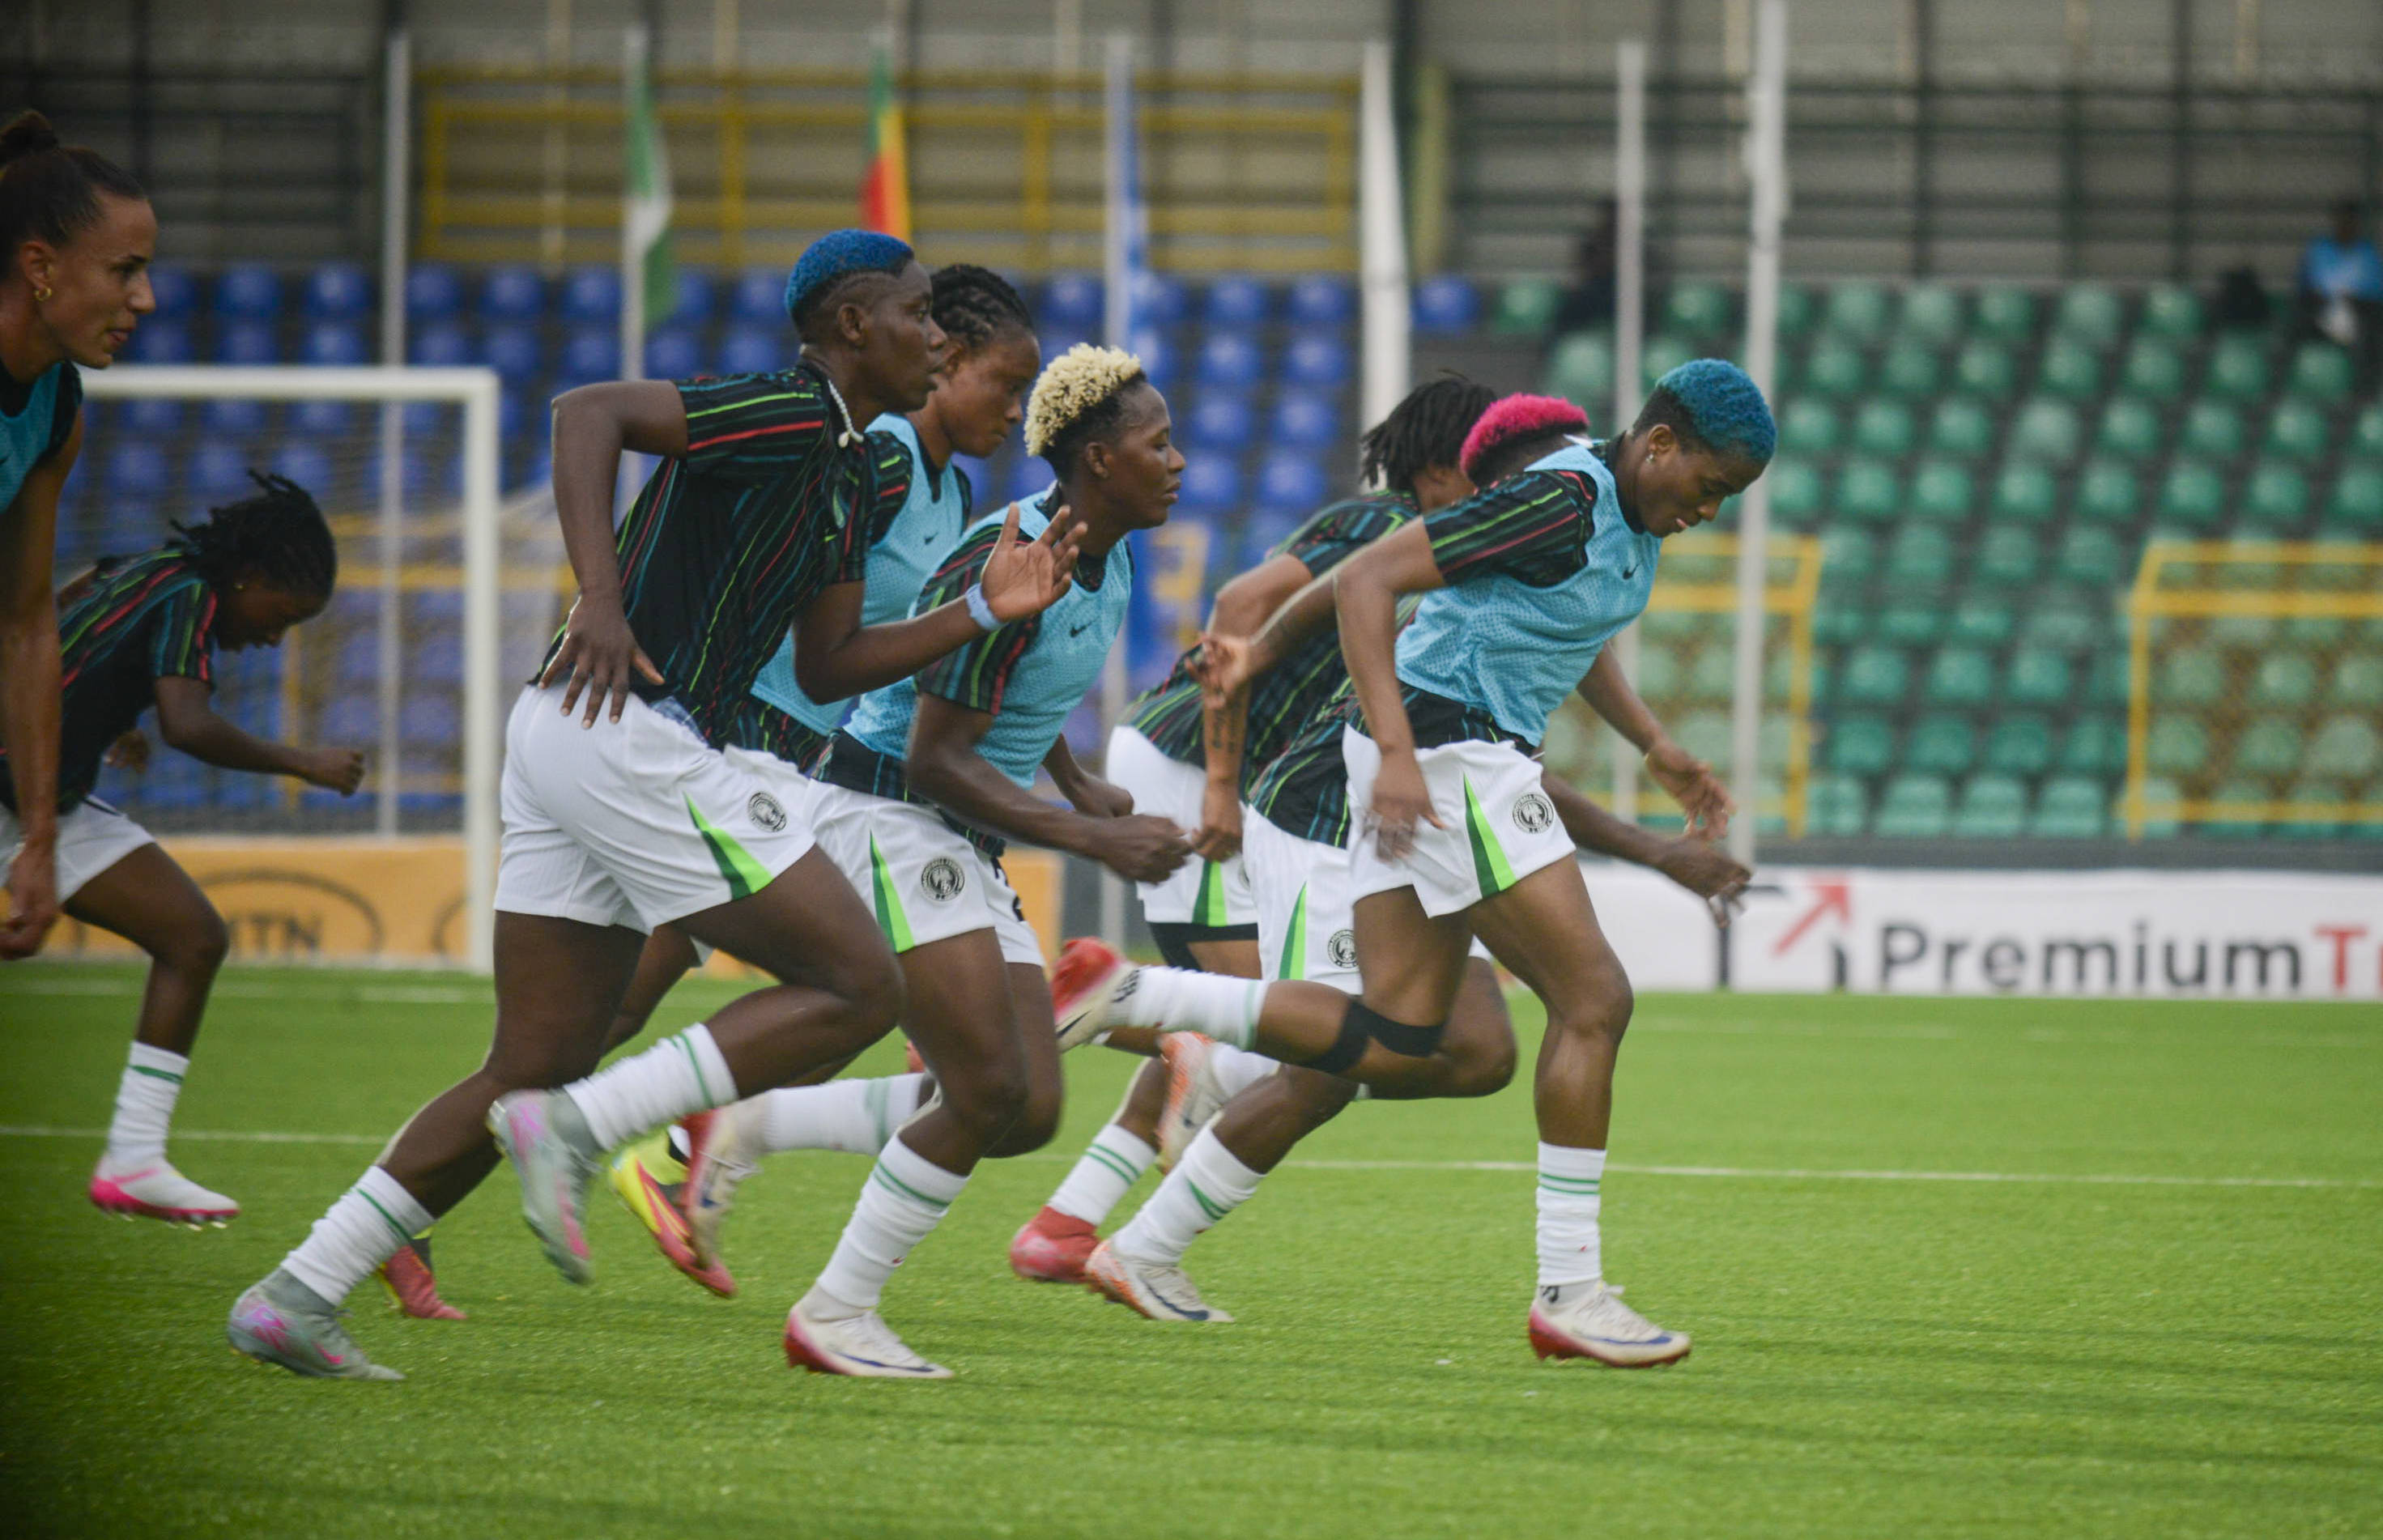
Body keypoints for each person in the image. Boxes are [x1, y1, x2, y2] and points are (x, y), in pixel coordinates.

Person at [225, 229, 1077, 1381]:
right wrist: (600, 597)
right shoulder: (787, 408)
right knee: (857, 982)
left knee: (533, 1057)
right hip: (628, 728)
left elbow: (828, 664)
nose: (935, 335)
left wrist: (978, 611)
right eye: (921, 314)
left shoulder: (843, 474)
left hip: (579, 738)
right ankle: (581, 1130)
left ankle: (299, 1289)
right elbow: (588, 412)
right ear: (851, 326)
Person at [1053, 364, 1774, 1367]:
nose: (1712, 507)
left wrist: (1655, 746)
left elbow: (1575, 629)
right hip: (1450, 748)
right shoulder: (1563, 500)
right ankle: (1571, 1290)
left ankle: (1133, 1000)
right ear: (1659, 444)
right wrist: (1391, 750)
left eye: (1728, 496)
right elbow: (1367, 578)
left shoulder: (1614, 521)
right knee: (1595, 999)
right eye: (1709, 483)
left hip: (1445, 752)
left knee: (1397, 1036)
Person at [755, 342, 1190, 1378]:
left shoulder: (1113, 552)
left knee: (1028, 1107)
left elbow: (1018, 696)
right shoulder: (1011, 557)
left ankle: (732, 1127)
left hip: (955, 829)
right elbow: (937, 754)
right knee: (989, 1088)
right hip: (889, 810)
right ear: (1095, 459)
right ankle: (835, 1310)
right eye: (1157, 442)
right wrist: (1089, 835)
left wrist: (1078, 782)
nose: (1178, 461)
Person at [1008, 374, 1501, 1283]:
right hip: (1192, 768)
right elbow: (1237, 608)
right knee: (1286, 1025)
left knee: (1259, 1027)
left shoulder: (1444, 546)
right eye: (1490, 470)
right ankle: (1008, 1018)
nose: (1505, 491)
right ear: (1438, 471)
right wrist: (1222, 786)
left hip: (1259, 786)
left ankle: (1067, 1220)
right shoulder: (1378, 529)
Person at [1, 473, 359, 1223]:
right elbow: (188, 726)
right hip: (16, 789)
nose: (271, 638)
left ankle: (133, 1160)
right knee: (186, 938)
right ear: (249, 577)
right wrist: (305, 763)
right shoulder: (189, 596)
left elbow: (70, 601)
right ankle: (132, 1159)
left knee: (192, 938)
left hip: (39, 790)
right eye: (280, 617)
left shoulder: (144, 571)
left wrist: (100, 702)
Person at [0, 110, 155, 959]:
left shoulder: (57, 408)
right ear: (41, 269)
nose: (146, 298)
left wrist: (38, 840)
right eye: (125, 271)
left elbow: (22, 623)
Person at [2297, 199, 2383, 380]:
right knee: (2295, 326)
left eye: (2350, 221)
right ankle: (2281, 391)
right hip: (2322, 312)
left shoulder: (2367, 253)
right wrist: (2319, 297)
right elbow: (2305, 286)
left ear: (2357, 225)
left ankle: (2364, 390)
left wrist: (2354, 300)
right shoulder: (2319, 249)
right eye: (2342, 220)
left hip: (2357, 314)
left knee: (2372, 331)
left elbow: (2376, 295)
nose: (2346, 226)